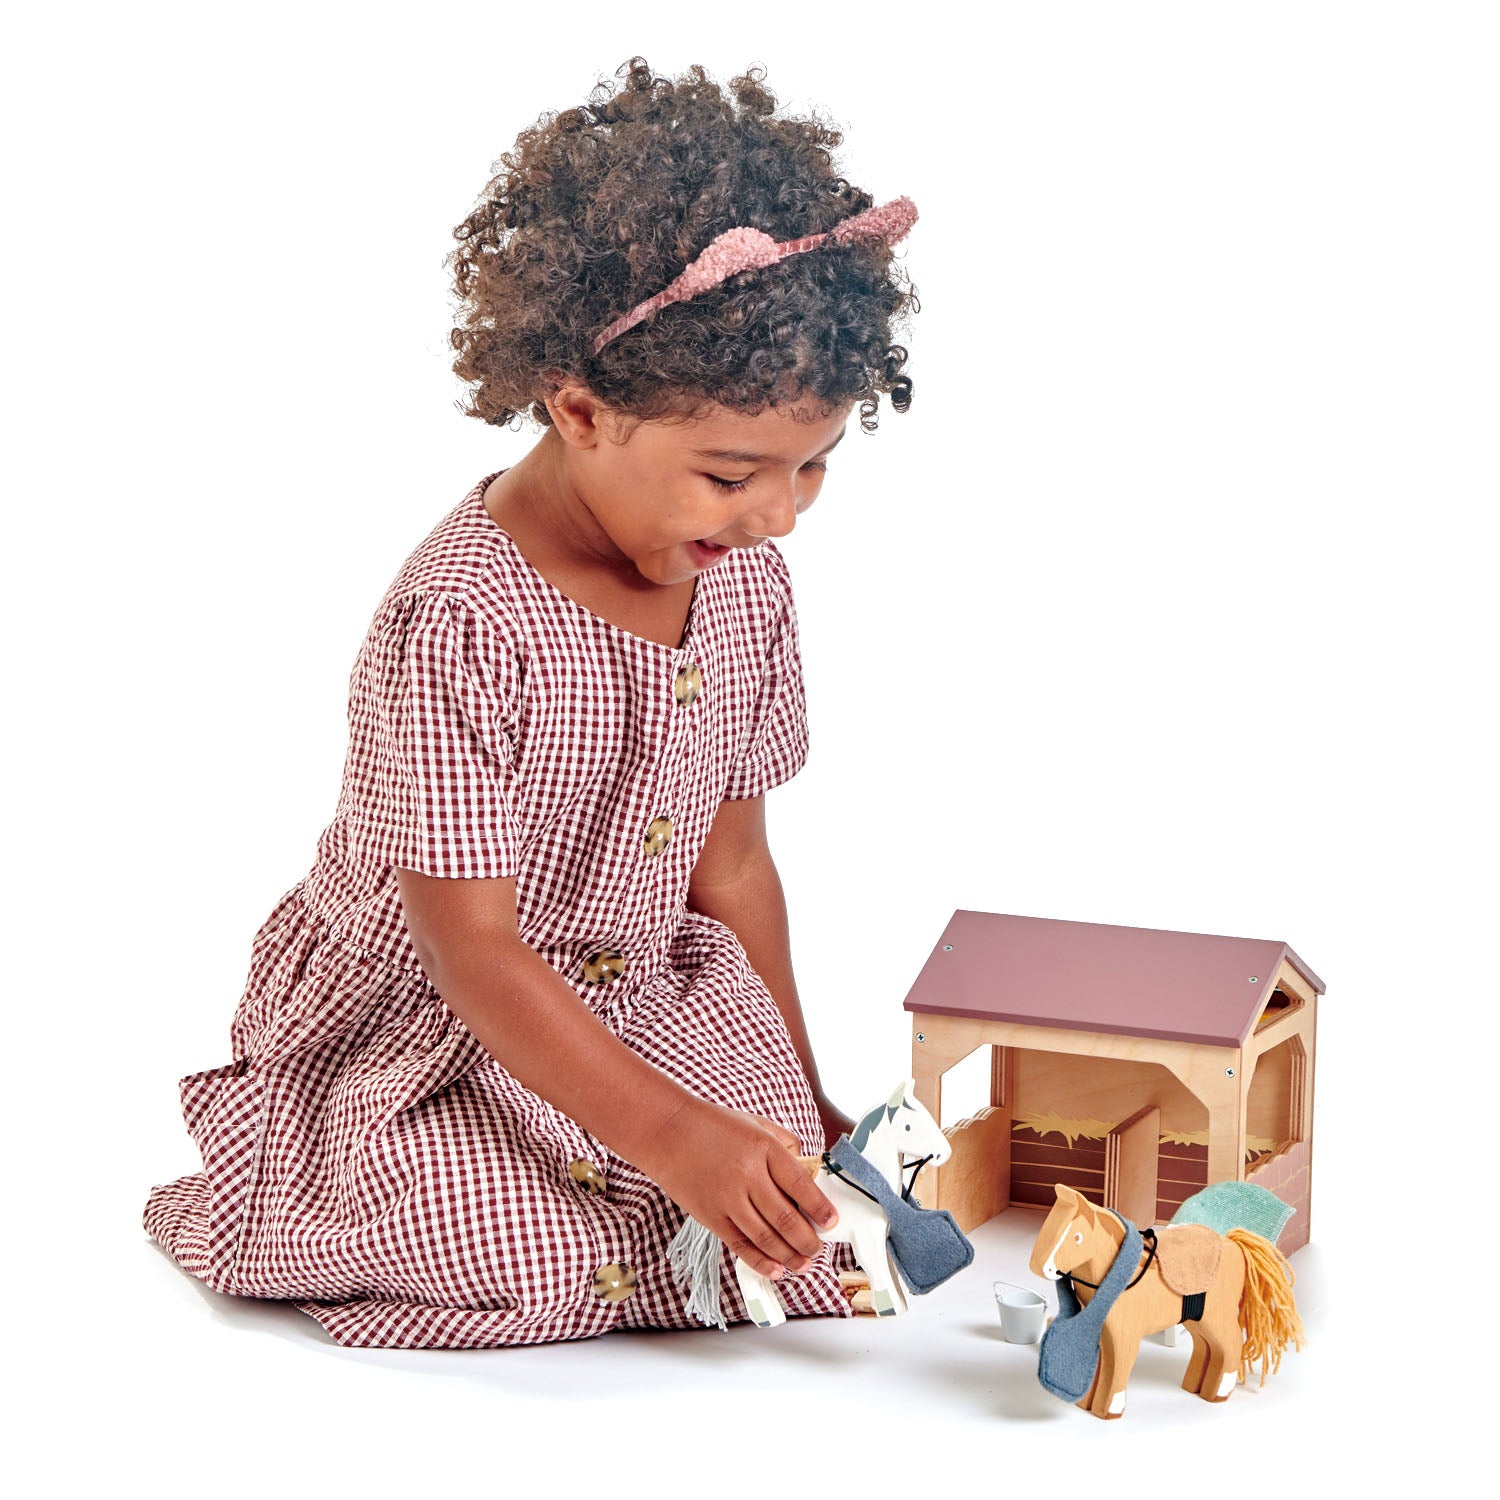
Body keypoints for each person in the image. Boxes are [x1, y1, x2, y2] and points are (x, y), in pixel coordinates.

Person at [143, 56, 918, 1350]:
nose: (780, 516)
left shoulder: (744, 585)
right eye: (733, 475)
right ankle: (308, 1192)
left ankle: (679, 1204)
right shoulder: (460, 622)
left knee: (781, 1190)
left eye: (814, 470)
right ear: (580, 410)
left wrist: (801, 1096)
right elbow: (476, 954)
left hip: (640, 992)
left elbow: (731, 869)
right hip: (439, 1023)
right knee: (549, 1238)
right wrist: (674, 1135)